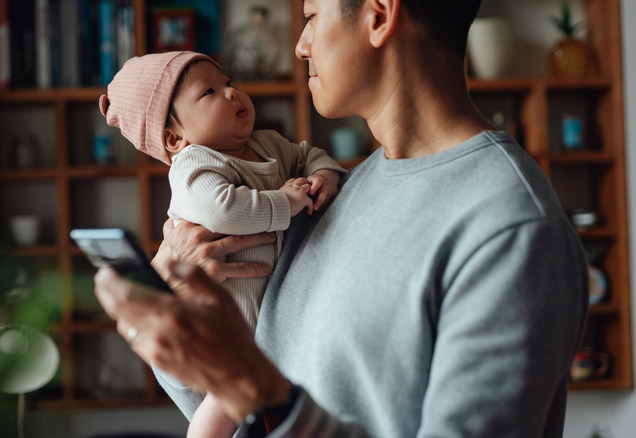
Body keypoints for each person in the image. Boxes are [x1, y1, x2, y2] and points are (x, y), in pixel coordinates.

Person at [93, 0, 589, 436]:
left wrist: (257, 387)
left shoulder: (513, 231)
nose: (300, 46)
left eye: (311, 15)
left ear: (378, 16)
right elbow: (239, 415)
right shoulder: (331, 194)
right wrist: (178, 322)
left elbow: (259, 395)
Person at [98, 51, 346, 437]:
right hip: (224, 329)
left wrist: (324, 176)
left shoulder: (269, 145)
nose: (232, 94)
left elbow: (309, 155)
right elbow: (222, 210)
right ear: (174, 137)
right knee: (220, 411)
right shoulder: (193, 165)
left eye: (228, 82)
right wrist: (287, 202)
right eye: (209, 92)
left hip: (269, 329)